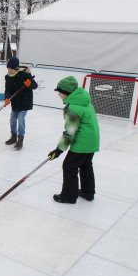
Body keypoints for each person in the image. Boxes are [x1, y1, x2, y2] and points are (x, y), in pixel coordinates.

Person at [48, 76, 100, 204]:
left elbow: (70, 133)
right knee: (86, 165)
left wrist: (58, 150)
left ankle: (68, 196)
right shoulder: (83, 100)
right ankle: (88, 192)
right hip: (92, 140)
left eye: (59, 92)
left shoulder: (73, 108)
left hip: (82, 142)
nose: (58, 94)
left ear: (66, 93)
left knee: (69, 166)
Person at [4, 57, 38, 150]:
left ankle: (20, 140)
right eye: (8, 68)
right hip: (15, 102)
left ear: (16, 68)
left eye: (11, 68)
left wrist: (29, 84)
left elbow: (35, 85)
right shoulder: (7, 77)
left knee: (21, 118)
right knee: (12, 119)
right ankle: (13, 137)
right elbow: (8, 90)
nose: (9, 70)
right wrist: (7, 98)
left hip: (25, 101)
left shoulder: (24, 74)